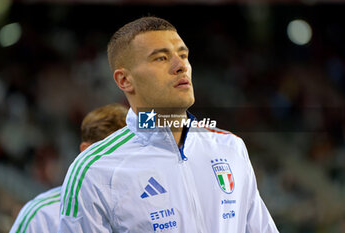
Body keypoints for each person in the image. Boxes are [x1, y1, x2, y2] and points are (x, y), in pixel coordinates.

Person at [58, 16, 279, 233]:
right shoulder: (94, 171)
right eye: (161, 58)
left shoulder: (230, 147)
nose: (180, 65)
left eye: (183, 55)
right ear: (124, 80)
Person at [10, 104, 128, 233]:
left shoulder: (146, 199)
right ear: (86, 151)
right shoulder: (41, 216)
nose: (123, 163)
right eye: (114, 153)